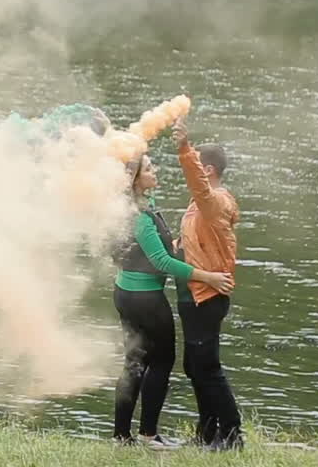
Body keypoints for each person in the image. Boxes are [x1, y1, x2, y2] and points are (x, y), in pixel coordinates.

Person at [112, 153, 234, 450]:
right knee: (162, 361)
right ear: (136, 180)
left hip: (126, 293)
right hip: (145, 299)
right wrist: (207, 276)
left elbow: (156, 249)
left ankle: (121, 437)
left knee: (134, 361)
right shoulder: (140, 216)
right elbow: (161, 261)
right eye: (150, 168)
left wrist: (187, 245)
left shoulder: (130, 209)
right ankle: (148, 436)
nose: (156, 171)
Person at [171, 116, 243, 451]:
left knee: (208, 366)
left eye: (199, 166)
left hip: (208, 294)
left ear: (209, 170)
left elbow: (199, 189)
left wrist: (184, 147)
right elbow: (199, 234)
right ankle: (207, 432)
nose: (195, 173)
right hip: (191, 293)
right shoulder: (202, 204)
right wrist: (180, 245)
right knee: (193, 365)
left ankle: (231, 434)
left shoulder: (216, 201)